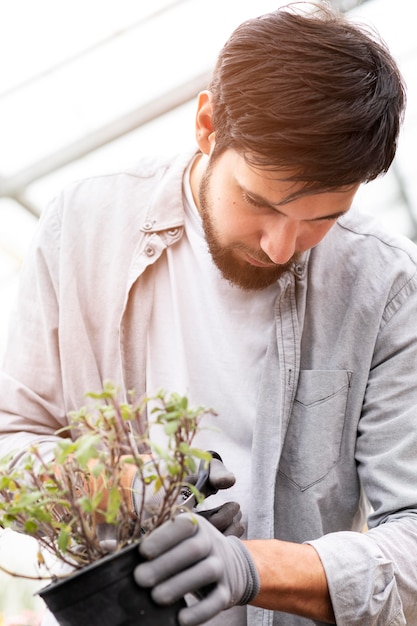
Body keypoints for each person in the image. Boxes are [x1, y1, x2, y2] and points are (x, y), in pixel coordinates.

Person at [0, 2, 415, 625]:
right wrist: (117, 485)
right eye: (259, 202)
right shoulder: (83, 227)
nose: (280, 246)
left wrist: (250, 567)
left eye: (321, 220)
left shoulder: (386, 287)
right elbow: (11, 444)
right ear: (206, 123)